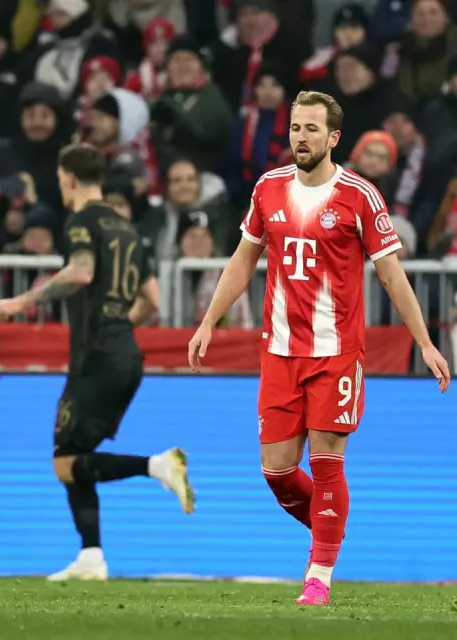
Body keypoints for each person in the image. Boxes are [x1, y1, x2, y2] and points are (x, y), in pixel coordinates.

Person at [187, 90, 451, 606]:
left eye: (311, 129)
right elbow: (242, 260)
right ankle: (331, 526)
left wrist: (425, 342)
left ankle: (319, 575)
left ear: (333, 138)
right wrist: (208, 322)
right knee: (277, 470)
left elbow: (392, 276)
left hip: (336, 352)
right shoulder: (268, 189)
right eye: (295, 128)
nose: (301, 138)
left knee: (327, 463)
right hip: (279, 350)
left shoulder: (359, 196)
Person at [0, 144, 192, 581]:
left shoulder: (81, 221)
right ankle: (91, 556)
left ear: (71, 179)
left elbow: (81, 272)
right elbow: (152, 301)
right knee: (75, 456)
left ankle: (156, 466)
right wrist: (119, 327)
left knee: (65, 461)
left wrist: (20, 302)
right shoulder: (129, 230)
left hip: (96, 354)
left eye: (61, 182)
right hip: (124, 352)